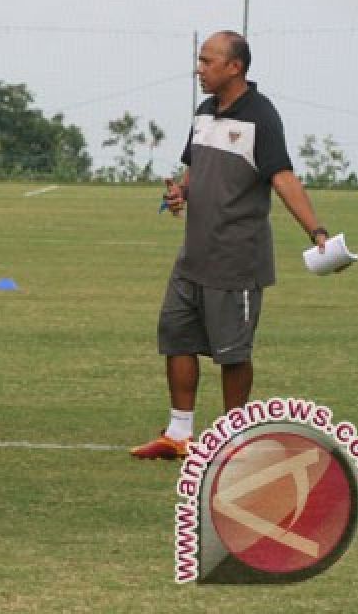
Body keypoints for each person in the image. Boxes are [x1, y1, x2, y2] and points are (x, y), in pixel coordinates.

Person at [131, 31, 329, 460]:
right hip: (192, 258)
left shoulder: (262, 117)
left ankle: (235, 441)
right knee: (176, 338)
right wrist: (181, 193)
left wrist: (317, 231)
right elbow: (195, 170)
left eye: (207, 61)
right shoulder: (203, 112)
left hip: (236, 260)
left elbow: (282, 177)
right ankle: (178, 434)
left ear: (234, 67)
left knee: (232, 354)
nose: (199, 69)